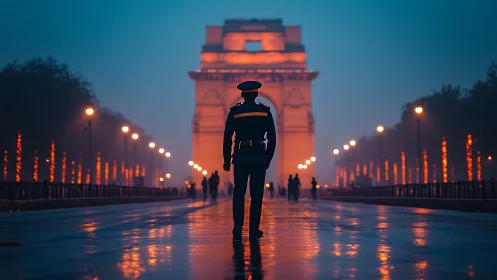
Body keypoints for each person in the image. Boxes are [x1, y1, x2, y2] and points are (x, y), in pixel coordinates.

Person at [223, 80, 276, 241]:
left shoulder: (235, 112)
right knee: (256, 194)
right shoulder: (264, 112)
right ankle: (254, 229)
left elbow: (227, 138)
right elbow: (272, 138)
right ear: (256, 94)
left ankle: (237, 225)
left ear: (242, 95)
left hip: (240, 157)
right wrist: (268, 158)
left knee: (239, 192)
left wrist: (226, 160)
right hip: (259, 157)